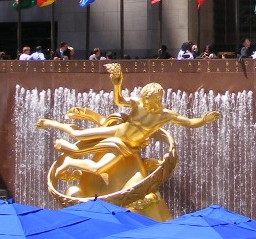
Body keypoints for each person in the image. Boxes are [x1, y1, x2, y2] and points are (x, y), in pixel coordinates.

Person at [36, 62, 219, 195]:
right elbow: (119, 100)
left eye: (149, 100)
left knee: (98, 168)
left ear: (157, 99)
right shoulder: (138, 103)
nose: (145, 103)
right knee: (79, 134)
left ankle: (70, 162)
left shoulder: (165, 114)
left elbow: (188, 122)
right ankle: (53, 124)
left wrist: (203, 120)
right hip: (118, 132)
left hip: (126, 146)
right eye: (144, 99)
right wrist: (117, 84)